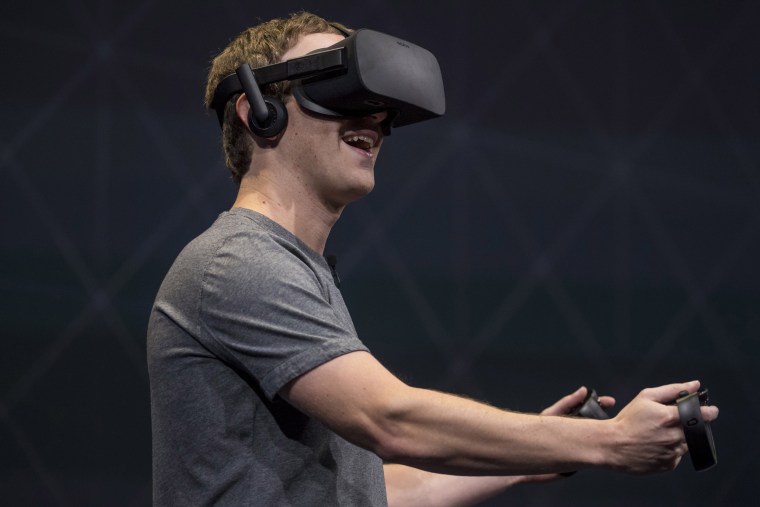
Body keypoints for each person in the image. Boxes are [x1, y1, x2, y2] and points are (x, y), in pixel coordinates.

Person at [147, 11, 719, 506]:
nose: (374, 119)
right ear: (257, 112)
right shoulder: (238, 262)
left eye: (381, 108)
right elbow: (391, 420)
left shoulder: (298, 271)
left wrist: (526, 455)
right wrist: (610, 441)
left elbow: (372, 489)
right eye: (338, 88)